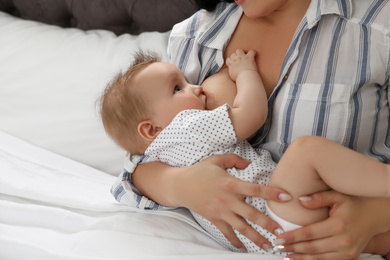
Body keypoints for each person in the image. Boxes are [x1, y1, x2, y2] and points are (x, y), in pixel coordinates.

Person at [116, 0, 390, 259]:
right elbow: (137, 165)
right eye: (180, 88)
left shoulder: (377, 27)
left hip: (297, 234)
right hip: (273, 227)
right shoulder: (193, 36)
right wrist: (179, 185)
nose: (193, 88)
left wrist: (374, 215)